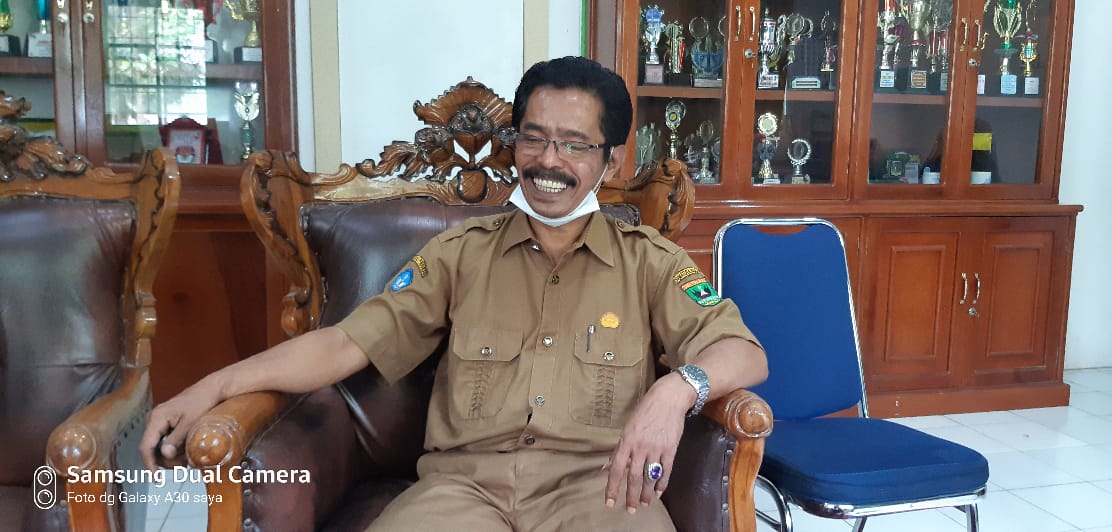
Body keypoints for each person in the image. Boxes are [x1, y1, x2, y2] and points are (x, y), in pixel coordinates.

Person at [140, 56, 768, 531]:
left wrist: (675, 389)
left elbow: (744, 352)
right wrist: (213, 386)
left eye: (575, 145)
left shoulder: (649, 262)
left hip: (600, 492)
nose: (549, 160)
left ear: (610, 161)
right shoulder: (459, 254)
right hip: (463, 491)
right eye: (534, 138)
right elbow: (345, 344)